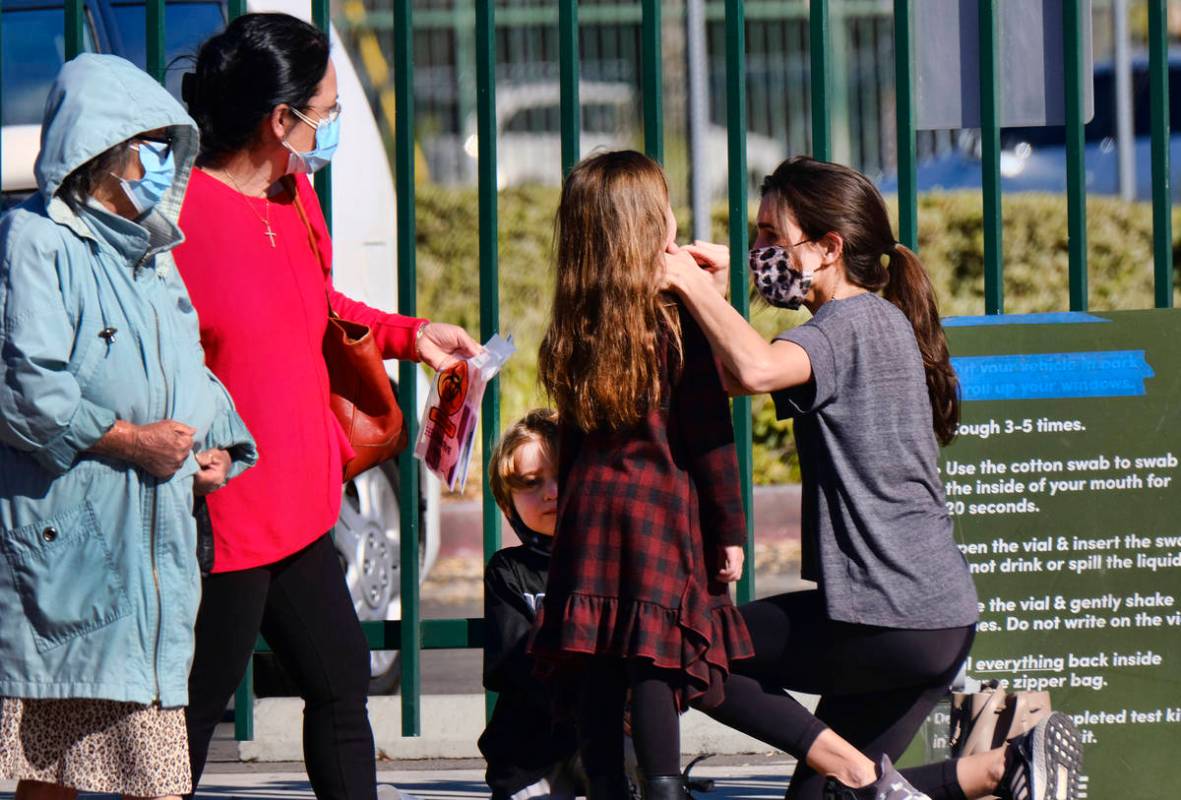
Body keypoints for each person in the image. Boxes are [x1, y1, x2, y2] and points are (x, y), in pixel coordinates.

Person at [662, 156, 1084, 800]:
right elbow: (723, 376)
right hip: (936, 622)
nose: (758, 251)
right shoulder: (873, 323)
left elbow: (752, 372)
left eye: (772, 235)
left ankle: (863, 773)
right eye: (757, 236)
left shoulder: (849, 324)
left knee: (691, 647)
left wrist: (685, 286)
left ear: (829, 248)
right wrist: (714, 299)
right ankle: (1001, 769)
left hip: (890, 614)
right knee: (819, 798)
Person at [174, 13, 481, 800]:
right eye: (329, 109)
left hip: (304, 505)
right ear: (282, 120)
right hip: (224, 521)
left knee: (342, 689)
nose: (335, 122)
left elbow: (318, 305)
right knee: (187, 720)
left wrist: (412, 337)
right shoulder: (176, 220)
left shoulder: (295, 191)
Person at [0, 54, 257, 800]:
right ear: (101, 148)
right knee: (51, 767)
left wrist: (224, 445)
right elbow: (26, 390)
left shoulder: (151, 251)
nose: (159, 161)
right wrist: (128, 440)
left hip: (152, 546)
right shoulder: (37, 241)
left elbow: (191, 369)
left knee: (154, 772)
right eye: (147, 143)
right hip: (80, 543)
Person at [530, 150, 753, 800]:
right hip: (658, 516)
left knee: (598, 657)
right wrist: (729, 530)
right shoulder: (676, 322)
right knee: (651, 655)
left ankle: (605, 784)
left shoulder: (576, 321)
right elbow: (710, 438)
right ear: (648, 227)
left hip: (589, 519)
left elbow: (568, 436)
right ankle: (660, 783)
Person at [478, 409, 584, 800]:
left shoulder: (604, 560)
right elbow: (511, 666)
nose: (551, 492)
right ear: (507, 501)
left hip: (601, 739)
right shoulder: (508, 570)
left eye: (561, 475)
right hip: (528, 751)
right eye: (531, 482)